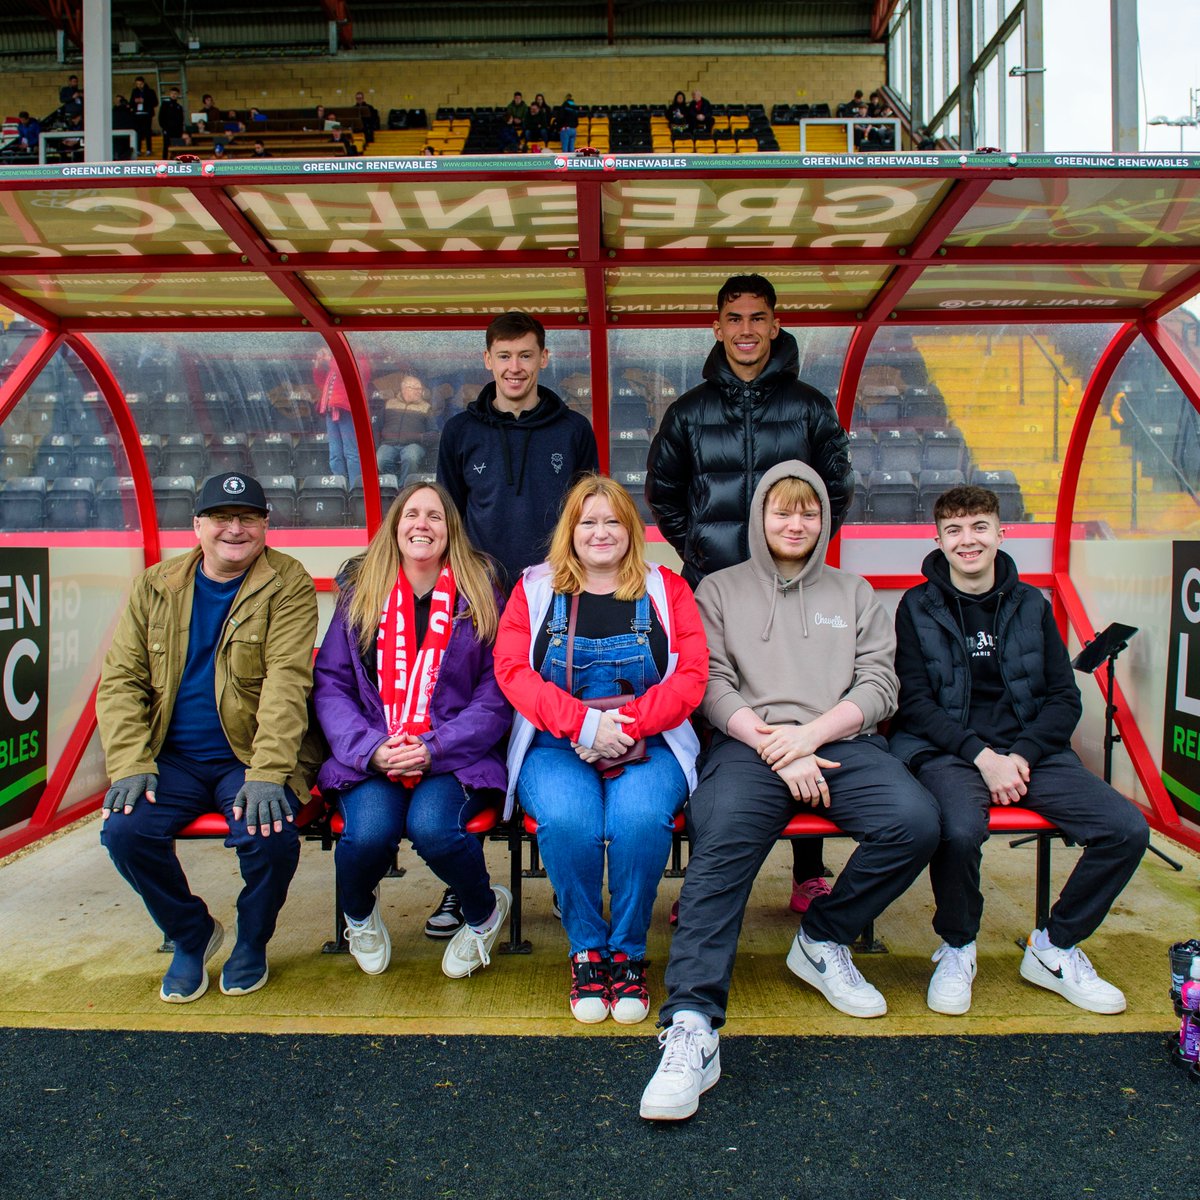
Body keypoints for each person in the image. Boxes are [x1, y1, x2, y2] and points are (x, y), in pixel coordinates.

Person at [639, 462, 940, 1120]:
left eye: (808, 512)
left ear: (823, 520)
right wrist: (775, 742)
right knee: (719, 834)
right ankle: (691, 1023)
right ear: (760, 517)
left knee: (916, 821)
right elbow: (709, 684)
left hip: (840, 743)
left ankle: (823, 937)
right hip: (749, 746)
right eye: (782, 510)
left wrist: (811, 737)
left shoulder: (855, 593)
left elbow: (877, 686)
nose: (795, 523)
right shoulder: (717, 590)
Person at [890, 485, 1149, 1016]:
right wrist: (983, 757)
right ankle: (958, 947)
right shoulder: (916, 606)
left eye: (979, 527)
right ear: (937, 539)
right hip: (951, 753)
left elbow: (1063, 698)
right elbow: (913, 704)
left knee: (1125, 829)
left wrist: (1021, 754)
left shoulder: (1031, 603)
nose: (968, 541)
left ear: (1001, 533)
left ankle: (1054, 947)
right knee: (958, 831)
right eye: (955, 530)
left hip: (1031, 752)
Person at [645, 272, 855, 915]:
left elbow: (836, 491)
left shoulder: (811, 406)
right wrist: (700, 556)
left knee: (804, 710)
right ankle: (708, 875)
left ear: (776, 322)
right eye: (733, 318)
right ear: (716, 327)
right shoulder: (688, 411)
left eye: (757, 317)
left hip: (795, 589)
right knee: (714, 726)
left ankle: (810, 872)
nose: (745, 330)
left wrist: (800, 558)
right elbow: (663, 493)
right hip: (714, 588)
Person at [97, 472, 320, 1003]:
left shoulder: (288, 582)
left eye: (249, 518)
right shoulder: (156, 585)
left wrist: (268, 773)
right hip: (170, 757)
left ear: (266, 526)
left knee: (269, 835)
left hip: (248, 755)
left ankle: (252, 940)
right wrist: (130, 762)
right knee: (125, 834)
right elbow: (120, 681)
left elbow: (288, 682)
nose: (235, 529)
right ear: (198, 525)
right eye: (222, 518)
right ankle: (192, 933)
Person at [495, 475, 707, 1023]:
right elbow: (513, 671)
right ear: (570, 530)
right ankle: (588, 949)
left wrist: (626, 726)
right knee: (568, 821)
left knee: (639, 821)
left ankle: (629, 953)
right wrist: (585, 727)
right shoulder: (535, 589)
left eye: (613, 520)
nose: (601, 532)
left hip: (650, 742)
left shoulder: (667, 589)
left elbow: (690, 676)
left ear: (631, 529)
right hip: (555, 744)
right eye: (588, 521)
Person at [313, 482, 513, 980]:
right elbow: (332, 684)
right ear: (395, 526)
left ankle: (485, 913)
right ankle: (358, 916)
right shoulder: (360, 596)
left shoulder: (481, 598)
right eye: (411, 514)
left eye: (435, 517)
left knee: (434, 829)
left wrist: (433, 747)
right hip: (373, 752)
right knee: (366, 835)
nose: (421, 524)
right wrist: (372, 749)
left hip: (453, 754)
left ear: (451, 532)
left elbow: (497, 692)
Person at [437, 310, 599, 592]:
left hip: (557, 583)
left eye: (525, 355)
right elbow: (448, 513)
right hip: (481, 587)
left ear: (543, 357)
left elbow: (589, 512)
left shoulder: (574, 429)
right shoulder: (459, 431)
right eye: (504, 356)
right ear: (488, 359)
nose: (514, 367)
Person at [313, 344, 371, 489]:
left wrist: (329, 360)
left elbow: (349, 373)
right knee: (335, 454)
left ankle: (355, 488)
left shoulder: (360, 360)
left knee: (351, 453)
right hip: (331, 411)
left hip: (348, 411)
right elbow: (321, 383)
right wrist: (318, 366)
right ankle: (340, 487)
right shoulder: (334, 365)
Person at [377, 374, 438, 486]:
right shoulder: (390, 404)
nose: (420, 392)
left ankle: (403, 489)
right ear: (405, 389)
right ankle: (395, 483)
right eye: (416, 388)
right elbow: (377, 427)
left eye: (420, 388)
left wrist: (418, 437)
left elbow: (434, 433)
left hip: (414, 445)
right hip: (389, 444)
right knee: (381, 459)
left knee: (411, 458)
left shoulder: (426, 407)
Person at [130, 76, 158, 156]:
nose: (139, 86)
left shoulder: (150, 91)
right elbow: (131, 102)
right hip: (137, 114)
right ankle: (138, 149)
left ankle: (149, 149)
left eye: (140, 84)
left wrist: (144, 101)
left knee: (147, 132)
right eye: (137, 84)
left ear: (143, 83)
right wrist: (135, 101)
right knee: (138, 133)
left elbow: (155, 102)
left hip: (146, 114)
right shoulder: (134, 91)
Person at [159, 87, 185, 159]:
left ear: (178, 95)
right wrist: (164, 128)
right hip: (167, 130)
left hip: (177, 131)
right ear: (169, 94)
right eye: (172, 93)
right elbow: (161, 117)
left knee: (176, 147)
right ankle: (164, 161)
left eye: (175, 94)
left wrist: (181, 131)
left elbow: (181, 120)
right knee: (166, 146)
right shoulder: (165, 104)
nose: (174, 95)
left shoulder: (179, 107)